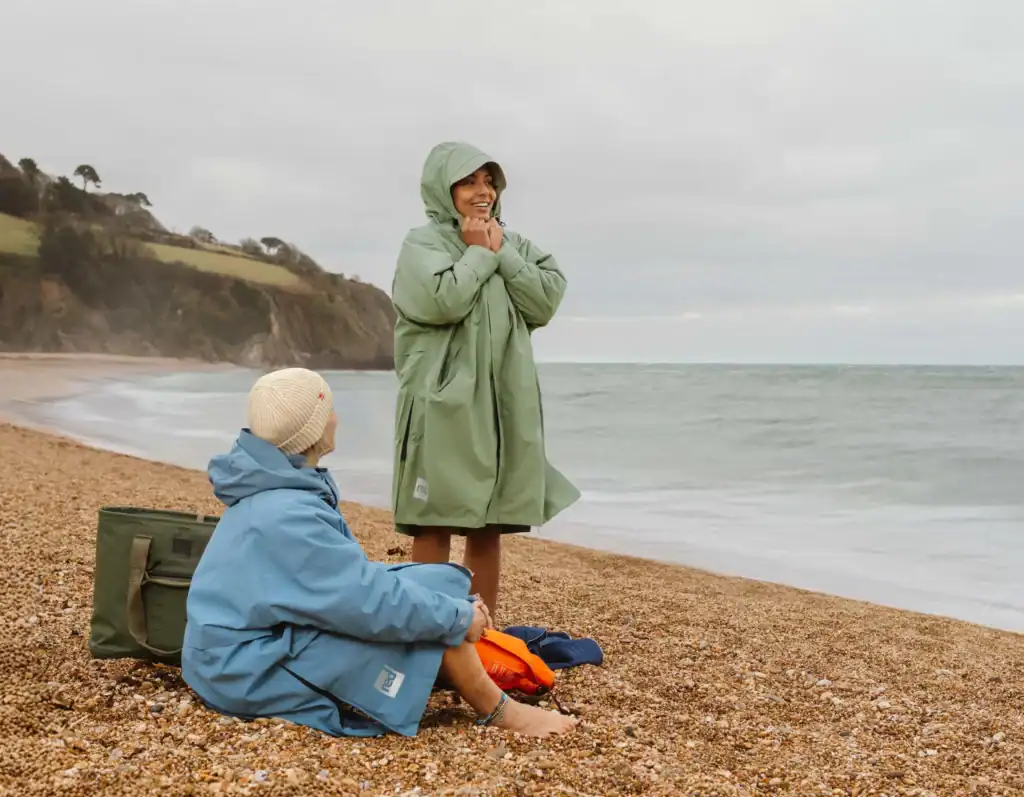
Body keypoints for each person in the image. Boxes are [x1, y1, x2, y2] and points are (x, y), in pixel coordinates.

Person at [181, 367, 576, 739]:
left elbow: (349, 584)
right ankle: (499, 710)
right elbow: (364, 602)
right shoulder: (287, 514)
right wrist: (454, 617)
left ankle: (453, 659)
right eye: (329, 409)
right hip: (243, 669)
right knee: (433, 620)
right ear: (314, 429)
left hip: (250, 642)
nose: (336, 417)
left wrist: (448, 600)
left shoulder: (278, 488)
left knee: (439, 584)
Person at [390, 142, 580, 618]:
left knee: (488, 523)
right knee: (432, 521)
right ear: (443, 188)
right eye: (469, 181)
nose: (483, 192)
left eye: (489, 181)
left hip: (502, 402)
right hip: (442, 401)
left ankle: (481, 636)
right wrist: (479, 254)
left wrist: (502, 253)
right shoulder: (422, 244)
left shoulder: (513, 243)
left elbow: (545, 300)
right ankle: (425, 634)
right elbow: (441, 302)